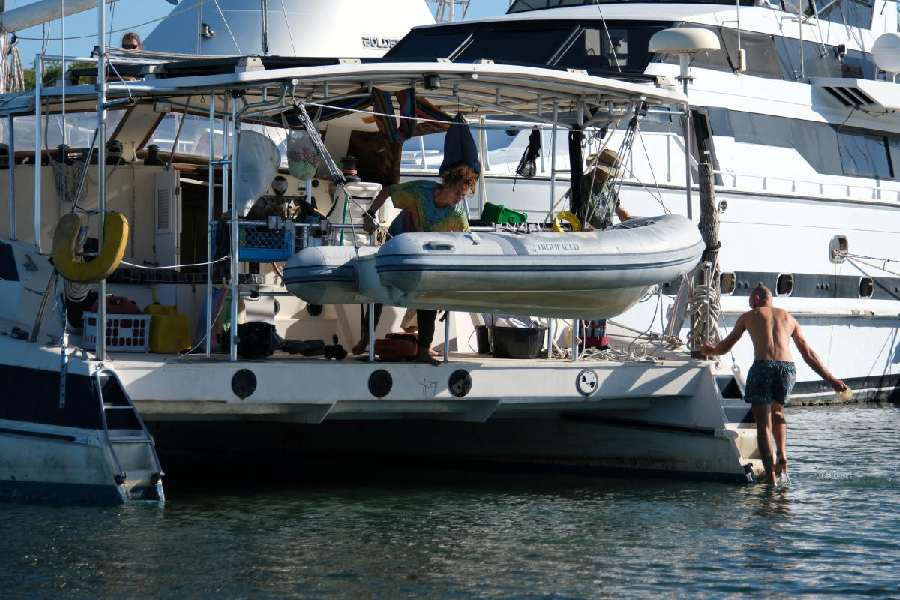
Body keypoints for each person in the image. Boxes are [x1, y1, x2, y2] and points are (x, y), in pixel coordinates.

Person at [701, 284, 847, 485]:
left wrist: (712, 349)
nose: (750, 304)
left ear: (757, 299)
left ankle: (770, 477)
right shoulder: (789, 318)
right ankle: (783, 456)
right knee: (778, 413)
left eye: (751, 300)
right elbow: (808, 353)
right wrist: (831, 380)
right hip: (787, 368)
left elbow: (727, 345)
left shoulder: (749, 316)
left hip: (763, 367)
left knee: (763, 425)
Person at [357, 163, 476, 364]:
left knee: (427, 296)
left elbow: (465, 242)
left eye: (463, 196)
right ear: (447, 184)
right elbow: (387, 191)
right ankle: (365, 338)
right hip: (397, 243)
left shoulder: (456, 213)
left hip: (424, 254)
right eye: (458, 193)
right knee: (378, 290)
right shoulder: (420, 191)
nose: (459, 199)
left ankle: (423, 349)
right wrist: (370, 213)